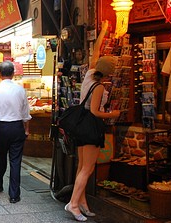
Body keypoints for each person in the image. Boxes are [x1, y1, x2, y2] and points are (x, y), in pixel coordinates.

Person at [64, 56, 120, 222]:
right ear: (108, 73)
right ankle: (73, 204)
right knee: (87, 168)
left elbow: (94, 56)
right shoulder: (99, 87)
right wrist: (112, 114)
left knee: (82, 166)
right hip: (91, 128)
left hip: (81, 127)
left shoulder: (89, 75)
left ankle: (82, 201)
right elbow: (95, 112)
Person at [0, 61, 31, 204]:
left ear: (0, 74)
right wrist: (26, 129)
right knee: (15, 161)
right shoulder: (20, 90)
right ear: (13, 73)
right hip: (17, 127)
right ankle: (14, 194)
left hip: (1, 128)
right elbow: (26, 113)